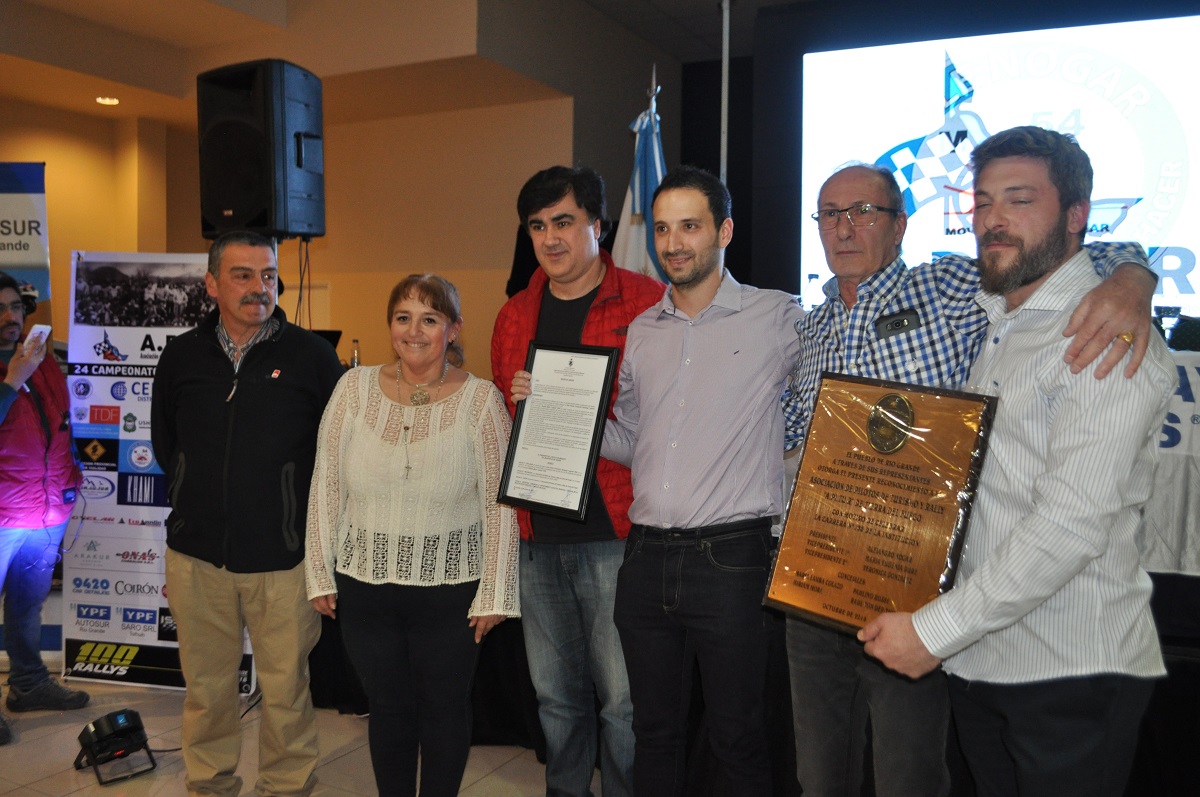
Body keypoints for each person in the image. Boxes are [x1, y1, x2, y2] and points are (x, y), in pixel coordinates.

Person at [780, 163, 1156, 797]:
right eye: (830, 214)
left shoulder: (949, 288)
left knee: (909, 773)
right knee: (818, 773)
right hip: (817, 576)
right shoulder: (807, 328)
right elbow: (793, 436)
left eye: (864, 212)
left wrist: (1133, 280)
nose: (845, 229)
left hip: (916, 584)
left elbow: (1071, 254)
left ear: (900, 225)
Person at [603, 165, 801, 796]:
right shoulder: (640, 331)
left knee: (737, 736)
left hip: (733, 560)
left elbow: (830, 408)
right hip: (644, 557)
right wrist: (555, 418)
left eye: (690, 226)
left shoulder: (779, 318)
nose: (673, 243)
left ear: (725, 230)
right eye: (662, 228)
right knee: (653, 733)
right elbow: (636, 443)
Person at [307, 274, 520, 797]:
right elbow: (326, 483)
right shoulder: (351, 389)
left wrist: (495, 590)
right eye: (403, 318)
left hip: (452, 591)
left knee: (445, 711)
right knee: (389, 709)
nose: (415, 331)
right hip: (364, 585)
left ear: (453, 329)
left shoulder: (482, 402)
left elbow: (501, 504)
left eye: (430, 319)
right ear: (390, 326)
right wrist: (318, 570)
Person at [151, 230, 343, 797]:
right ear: (211, 283)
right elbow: (168, 445)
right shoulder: (182, 354)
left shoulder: (311, 356)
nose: (259, 288)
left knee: (286, 687)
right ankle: (209, 781)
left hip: (283, 557)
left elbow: (334, 453)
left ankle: (286, 784)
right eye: (242, 275)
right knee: (207, 688)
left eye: (267, 275)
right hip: (196, 556)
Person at [492, 166, 663, 797]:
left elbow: (668, 421)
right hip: (538, 535)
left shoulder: (648, 303)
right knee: (556, 699)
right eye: (537, 226)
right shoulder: (513, 317)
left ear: (598, 224)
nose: (550, 238)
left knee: (623, 702)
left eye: (563, 222)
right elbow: (512, 427)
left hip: (617, 533)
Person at [0, 272, 89, 745]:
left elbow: (59, 423)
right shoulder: (18, 365)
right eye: (0, 309)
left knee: (27, 607)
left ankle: (29, 685)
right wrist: (12, 379)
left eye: (15, 306)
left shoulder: (42, 358)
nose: (9, 317)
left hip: (44, 511)